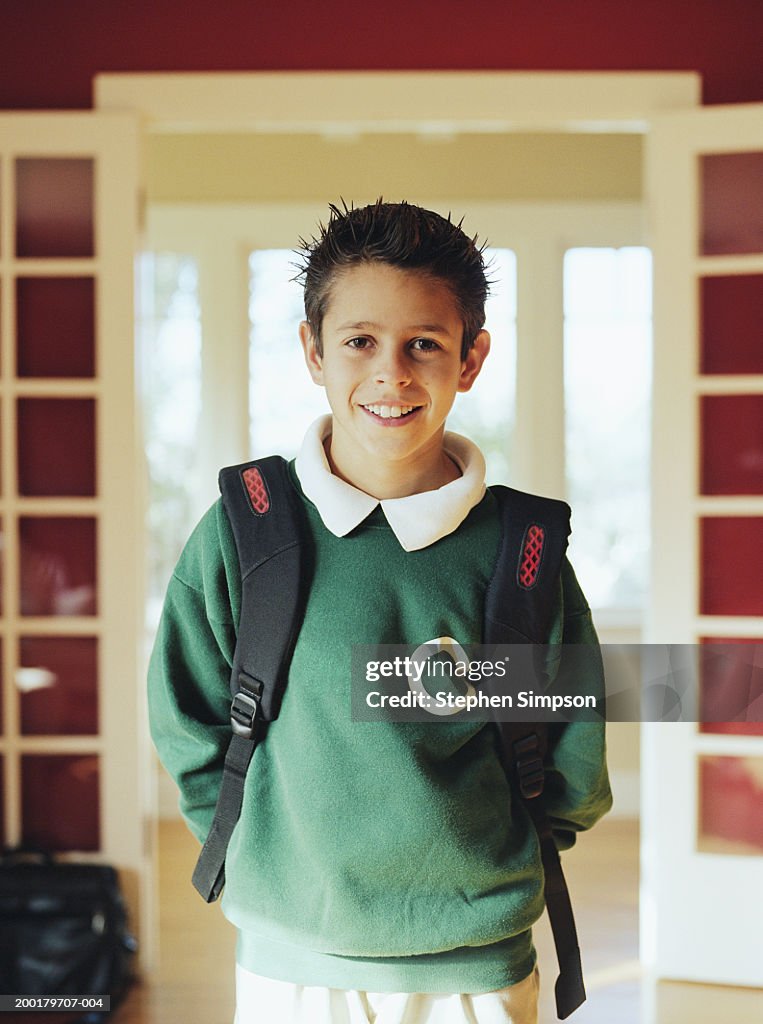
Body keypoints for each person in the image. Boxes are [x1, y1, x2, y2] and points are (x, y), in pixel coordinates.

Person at [148, 199, 612, 1024]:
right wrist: (259, 855)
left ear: (470, 360)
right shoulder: (245, 529)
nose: (391, 373)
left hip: (474, 968)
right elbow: (188, 724)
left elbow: (570, 765)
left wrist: (486, 874)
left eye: (423, 344)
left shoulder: (522, 551)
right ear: (312, 352)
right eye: (359, 340)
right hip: (290, 961)